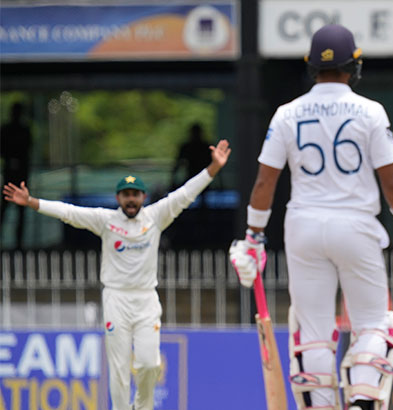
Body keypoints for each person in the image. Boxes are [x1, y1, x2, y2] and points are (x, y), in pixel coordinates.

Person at [228, 24, 393, 410]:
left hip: (303, 227)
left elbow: (264, 181)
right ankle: (361, 400)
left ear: (312, 67)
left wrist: (253, 237)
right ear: (353, 66)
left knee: (311, 331)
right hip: (356, 226)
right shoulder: (370, 111)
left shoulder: (287, 113)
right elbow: (392, 181)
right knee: (375, 323)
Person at [2, 139, 231, 410]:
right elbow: (70, 213)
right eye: (126, 194)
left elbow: (185, 194)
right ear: (118, 198)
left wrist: (213, 168)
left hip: (146, 300)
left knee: (149, 364)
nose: (131, 199)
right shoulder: (106, 220)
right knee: (119, 367)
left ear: (144, 197)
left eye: (135, 194)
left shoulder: (156, 217)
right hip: (116, 299)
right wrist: (32, 202)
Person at [1, 102, 32, 248]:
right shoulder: (7, 130)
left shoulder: (23, 130)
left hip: (20, 176)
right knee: (5, 209)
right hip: (11, 175)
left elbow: (27, 149)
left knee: (20, 211)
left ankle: (19, 243)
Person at [171, 123, 211, 190]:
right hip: (192, 178)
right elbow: (178, 164)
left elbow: (178, 165)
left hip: (202, 178)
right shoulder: (188, 147)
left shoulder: (205, 147)